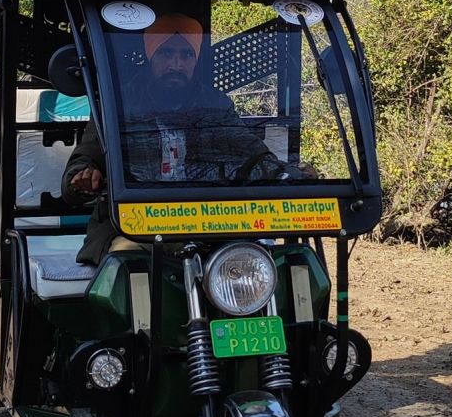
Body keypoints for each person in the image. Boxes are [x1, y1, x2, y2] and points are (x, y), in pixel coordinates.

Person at [63, 13, 294, 265]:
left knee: (268, 260)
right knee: (127, 259)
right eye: (165, 53)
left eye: (186, 55)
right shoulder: (114, 104)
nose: (176, 64)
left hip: (207, 223)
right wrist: (83, 177)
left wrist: (288, 174)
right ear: (150, 56)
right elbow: (80, 166)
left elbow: (252, 153)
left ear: (195, 60)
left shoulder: (215, 105)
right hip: (132, 225)